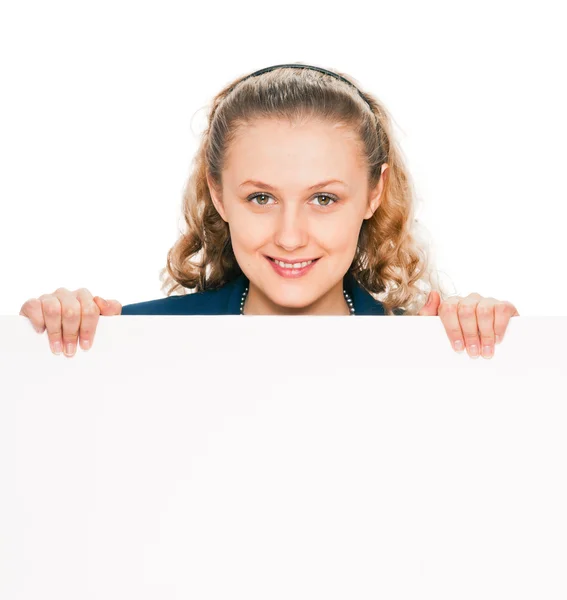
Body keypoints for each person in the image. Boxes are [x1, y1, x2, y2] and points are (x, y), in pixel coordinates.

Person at [19, 63, 519, 359]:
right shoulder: (129, 342)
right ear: (218, 193)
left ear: (373, 193)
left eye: (324, 199)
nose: (290, 236)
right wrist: (46, 338)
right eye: (262, 198)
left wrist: (496, 353)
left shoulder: (428, 348)